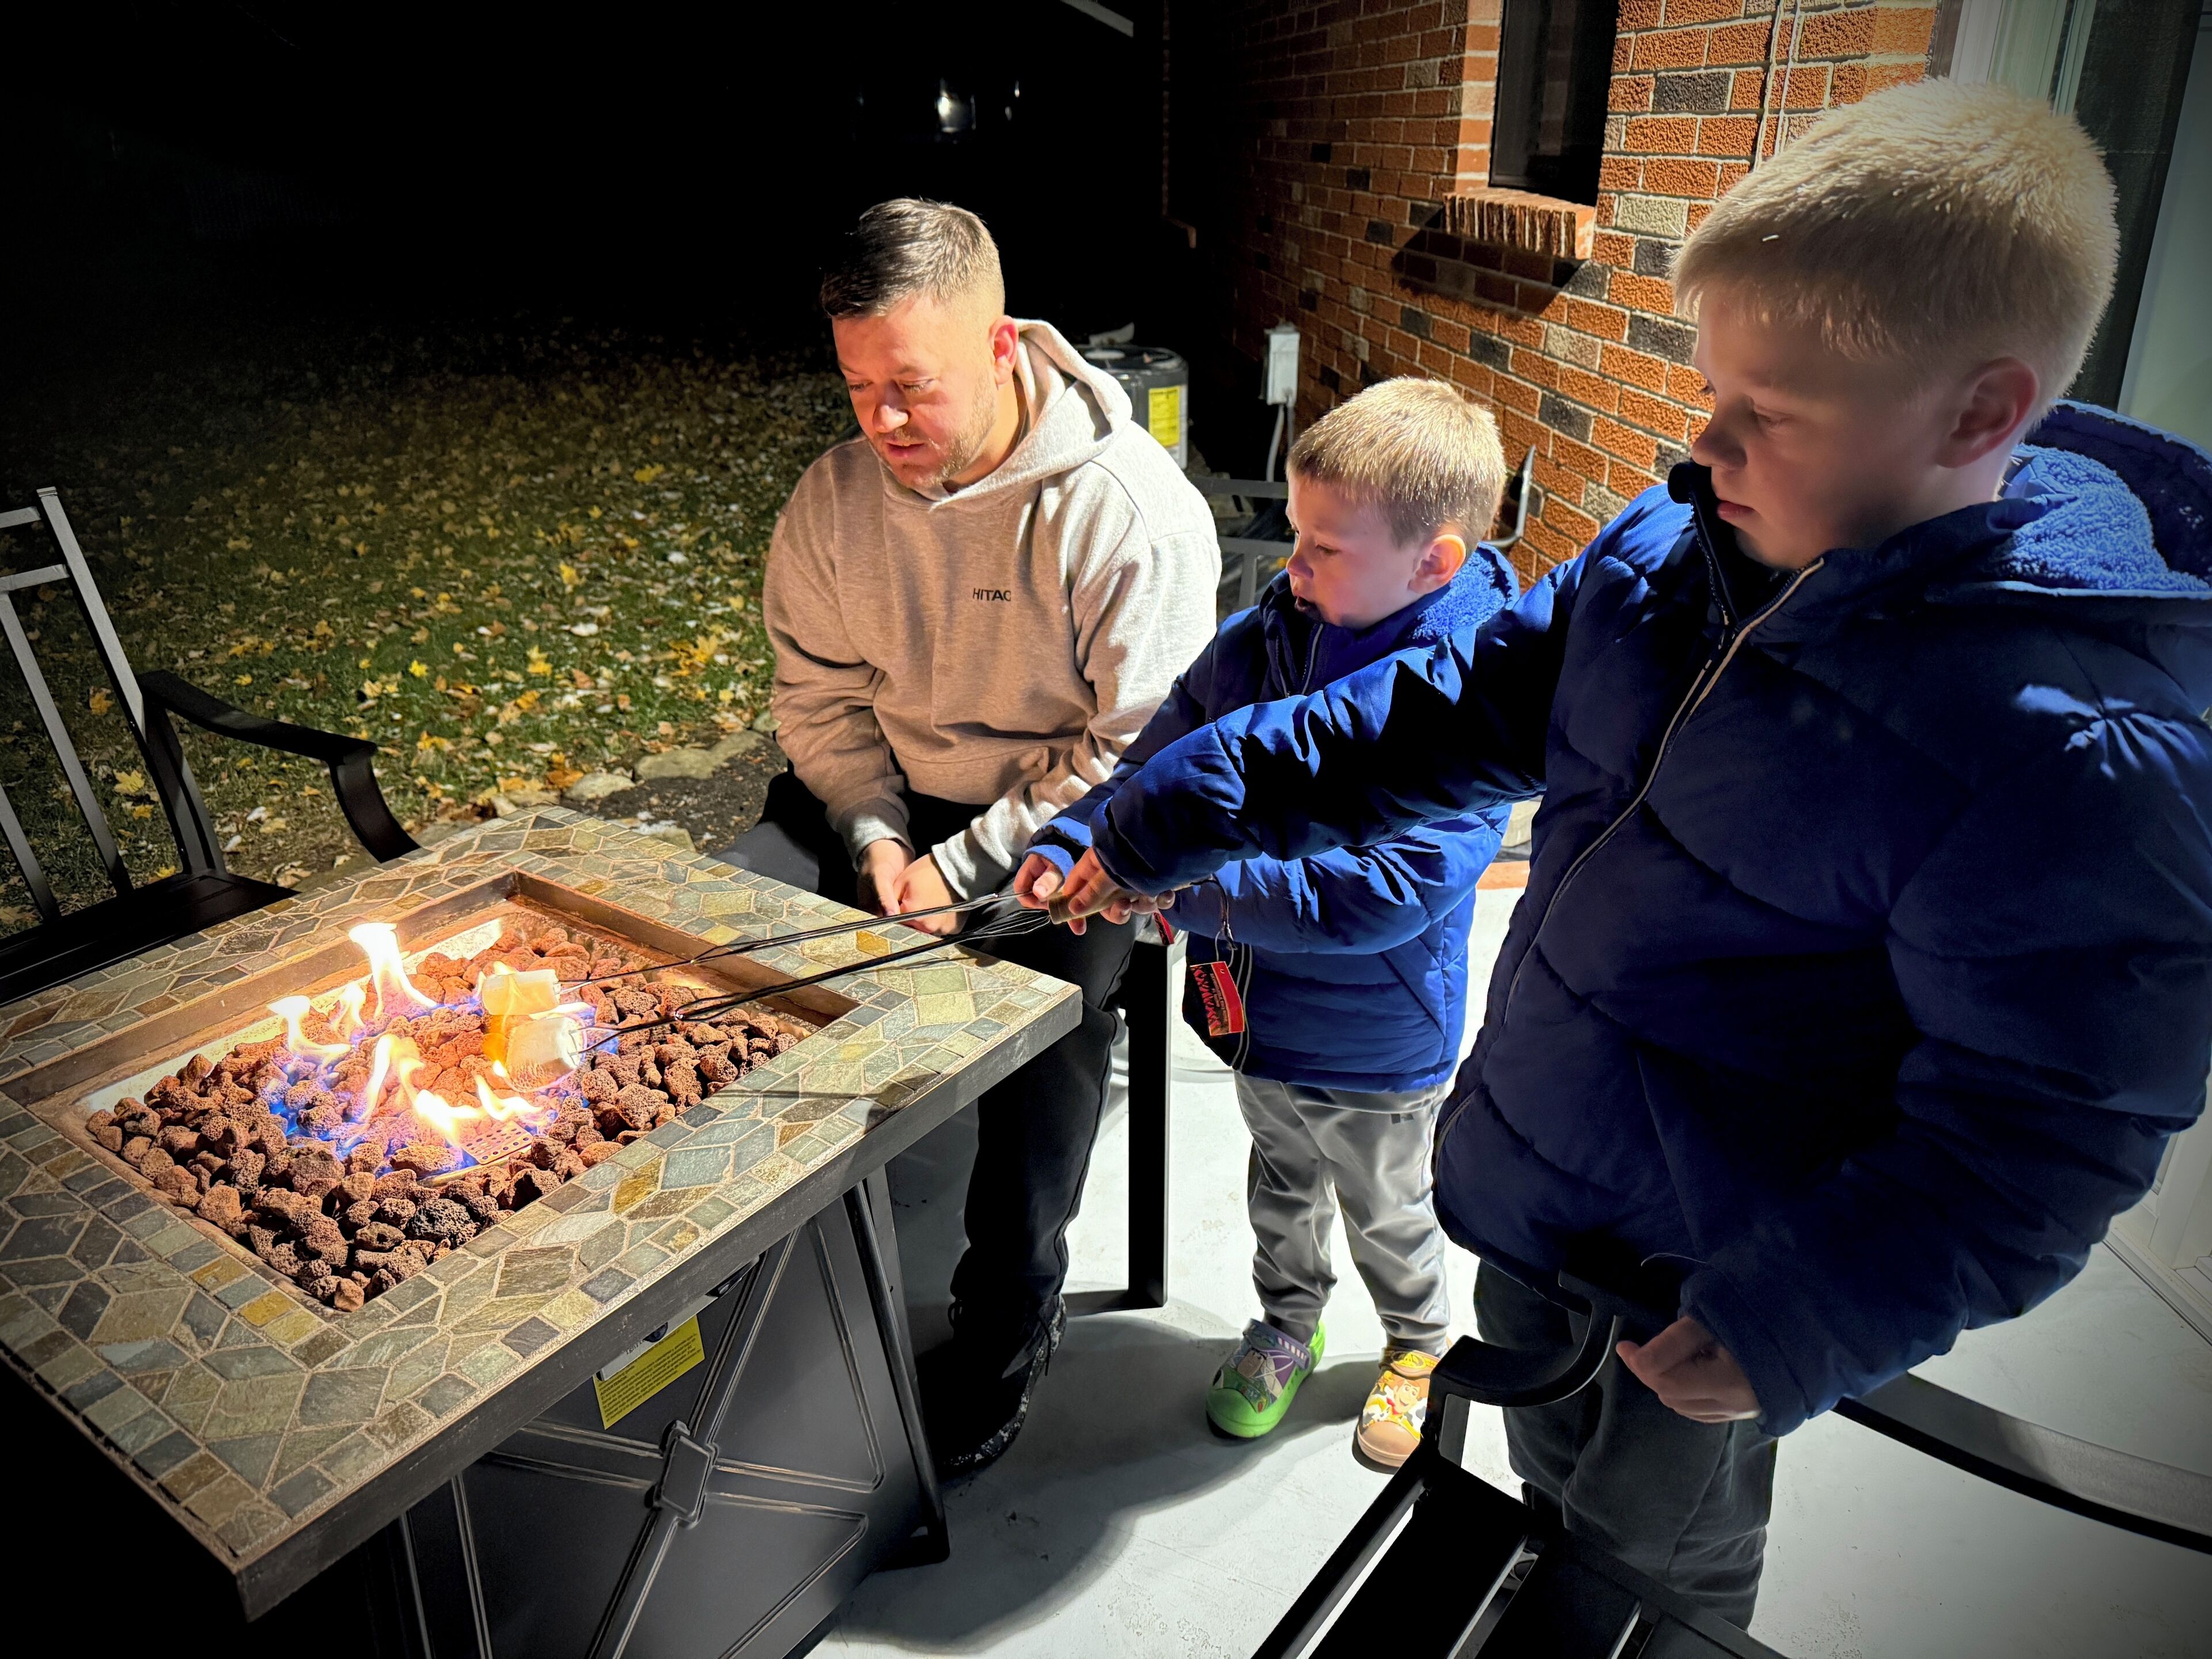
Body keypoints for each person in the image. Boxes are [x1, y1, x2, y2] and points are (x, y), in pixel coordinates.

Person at [1043, 80, 2212, 1625]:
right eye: (1711, 387)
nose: (1701, 443)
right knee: (1551, 1499)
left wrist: (1810, 1316)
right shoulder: (1672, 553)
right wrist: (1162, 809)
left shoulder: (2078, 756)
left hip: (1717, 1280)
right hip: (1548, 1182)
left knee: (1658, 1572)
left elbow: (2044, 1129)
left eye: (1767, 412)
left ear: (1981, 413)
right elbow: (1438, 711)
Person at [716, 199, 1219, 1475]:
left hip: (1074, 826)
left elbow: (1134, 750)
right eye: (855, 385)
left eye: (911, 388)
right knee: (721, 944)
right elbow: (818, 700)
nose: (881, 422)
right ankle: (749, 1278)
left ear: (1002, 346)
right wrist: (881, 838)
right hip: (887, 800)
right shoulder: (833, 505)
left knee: (1048, 1027)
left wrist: (963, 867)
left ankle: (1011, 1316)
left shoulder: (1126, 511)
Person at [1020, 378, 1517, 1466]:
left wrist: (1168, 890)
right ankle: (1287, 1324)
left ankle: (1422, 1343)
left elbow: (1382, 895)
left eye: (1324, 549)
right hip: (1254, 1012)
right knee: (1281, 1187)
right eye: (1296, 537)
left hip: (1377, 1041)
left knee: (1389, 1208)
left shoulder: (1478, 699)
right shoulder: (1265, 639)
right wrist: (1075, 841)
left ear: (1434, 561)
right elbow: (1161, 759)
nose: (1291, 568)